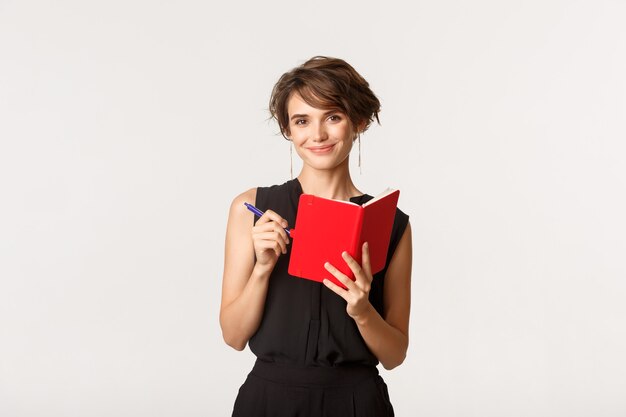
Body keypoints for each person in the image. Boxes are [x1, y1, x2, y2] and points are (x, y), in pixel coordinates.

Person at [220, 56, 412, 417]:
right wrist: (262, 269)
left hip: (357, 403)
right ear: (288, 130)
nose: (318, 135)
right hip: (269, 401)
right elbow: (233, 336)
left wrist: (362, 311)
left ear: (359, 121)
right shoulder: (251, 207)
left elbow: (395, 355)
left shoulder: (390, 222)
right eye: (302, 121)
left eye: (333, 117)